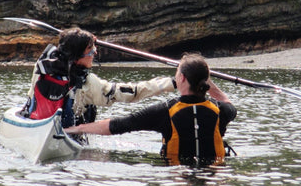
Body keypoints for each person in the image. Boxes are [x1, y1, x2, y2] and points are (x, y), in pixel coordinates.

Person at [64, 53, 237, 166]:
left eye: (177, 73)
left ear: (182, 78)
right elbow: (227, 102)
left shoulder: (164, 112)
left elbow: (116, 125)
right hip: (214, 176)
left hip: (177, 175)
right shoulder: (220, 110)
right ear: (205, 81)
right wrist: (209, 84)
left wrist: (76, 129)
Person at [20, 27, 176, 130]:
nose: (95, 52)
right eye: (90, 49)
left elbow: (63, 47)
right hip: (67, 133)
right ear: (76, 57)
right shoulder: (89, 84)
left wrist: (83, 38)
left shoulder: (41, 66)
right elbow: (132, 92)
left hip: (36, 126)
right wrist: (172, 83)